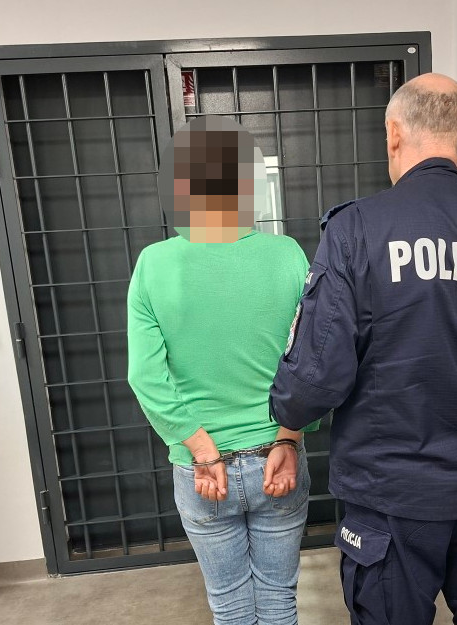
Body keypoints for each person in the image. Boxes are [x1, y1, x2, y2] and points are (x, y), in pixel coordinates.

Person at [269, 73, 457, 625]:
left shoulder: (355, 231)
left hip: (390, 497)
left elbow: (315, 376)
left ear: (392, 134)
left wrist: (286, 420)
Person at [127, 116, 318, 625]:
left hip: (202, 470)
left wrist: (201, 448)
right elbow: (313, 359)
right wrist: (289, 437)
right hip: (279, 456)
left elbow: (145, 376)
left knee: (229, 606)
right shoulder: (287, 255)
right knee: (278, 599)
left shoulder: (154, 264)